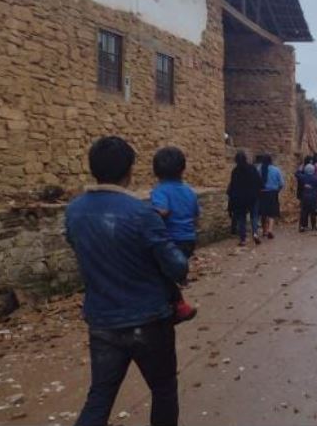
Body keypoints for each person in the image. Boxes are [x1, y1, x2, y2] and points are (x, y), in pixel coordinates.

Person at [66, 136, 188, 426]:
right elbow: (177, 267)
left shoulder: (75, 211)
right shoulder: (141, 213)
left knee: (99, 397)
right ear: (129, 171)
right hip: (149, 320)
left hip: (102, 321)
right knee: (163, 390)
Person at [150, 147, 199, 323]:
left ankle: (178, 306)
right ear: (182, 169)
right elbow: (195, 216)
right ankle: (177, 295)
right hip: (188, 239)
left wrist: (145, 213)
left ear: (156, 171)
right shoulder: (189, 192)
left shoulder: (160, 191)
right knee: (167, 274)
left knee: (158, 274)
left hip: (170, 241)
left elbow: (162, 211)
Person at [227, 151, 263, 247]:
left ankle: (243, 239)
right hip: (253, 197)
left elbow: (232, 186)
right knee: (254, 216)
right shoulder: (252, 168)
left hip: (240, 199)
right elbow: (259, 182)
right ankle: (255, 233)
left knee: (241, 218)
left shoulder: (235, 171)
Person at [258, 154, 284, 239]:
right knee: (272, 213)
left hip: (261, 193)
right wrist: (277, 190)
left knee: (263, 213)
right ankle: (270, 230)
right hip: (273, 193)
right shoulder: (276, 170)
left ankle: (264, 231)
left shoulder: (259, 169)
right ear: (271, 161)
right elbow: (281, 184)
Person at [295, 163, 317, 232]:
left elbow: (296, 174)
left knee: (304, 212)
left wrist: (299, 169)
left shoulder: (303, 177)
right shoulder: (316, 178)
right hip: (314, 198)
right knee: (313, 212)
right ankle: (313, 226)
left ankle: (303, 226)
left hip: (304, 198)